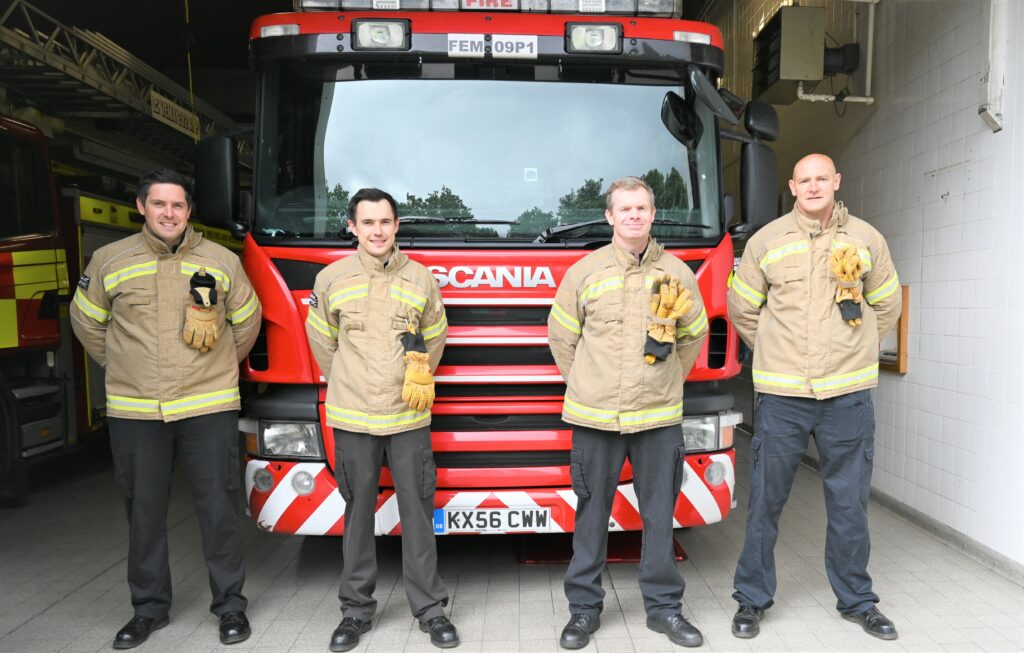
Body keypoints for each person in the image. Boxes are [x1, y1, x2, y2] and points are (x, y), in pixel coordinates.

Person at [70, 169, 261, 649]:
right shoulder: (111, 260)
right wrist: (121, 362)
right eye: (160, 205)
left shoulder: (220, 261)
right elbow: (86, 321)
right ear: (141, 207)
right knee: (145, 514)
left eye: (178, 206)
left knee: (219, 509)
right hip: (136, 411)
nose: (169, 214)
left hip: (209, 405)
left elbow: (248, 319)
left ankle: (231, 607)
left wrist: (217, 365)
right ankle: (149, 610)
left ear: (189, 210)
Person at [727, 153, 902, 640]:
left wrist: (858, 344)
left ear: (836, 182)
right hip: (783, 395)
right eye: (804, 179)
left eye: (821, 178)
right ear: (792, 186)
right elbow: (742, 306)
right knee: (766, 501)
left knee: (849, 503)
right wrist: (776, 348)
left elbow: (887, 303)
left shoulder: (866, 239)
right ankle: (751, 600)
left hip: (847, 394)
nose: (813, 186)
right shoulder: (767, 241)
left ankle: (857, 601)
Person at [547, 176, 710, 649]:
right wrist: (587, 381)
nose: (634, 215)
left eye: (642, 208)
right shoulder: (585, 272)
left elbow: (692, 336)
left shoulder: (678, 273)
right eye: (626, 209)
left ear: (653, 214)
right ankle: (583, 611)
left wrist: (666, 382)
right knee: (592, 514)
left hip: (657, 418)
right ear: (610, 216)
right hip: (595, 417)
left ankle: (664, 610)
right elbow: (562, 338)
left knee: (659, 515)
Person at [305, 188, 458, 651]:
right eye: (367, 222)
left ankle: (431, 611)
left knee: (417, 514)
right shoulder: (331, 279)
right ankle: (354, 612)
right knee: (357, 515)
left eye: (385, 222)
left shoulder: (420, 279)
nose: (377, 230)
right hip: (353, 418)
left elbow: (435, 337)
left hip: (408, 417)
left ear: (396, 226)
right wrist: (349, 381)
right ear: (353, 226)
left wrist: (412, 377)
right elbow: (323, 344)